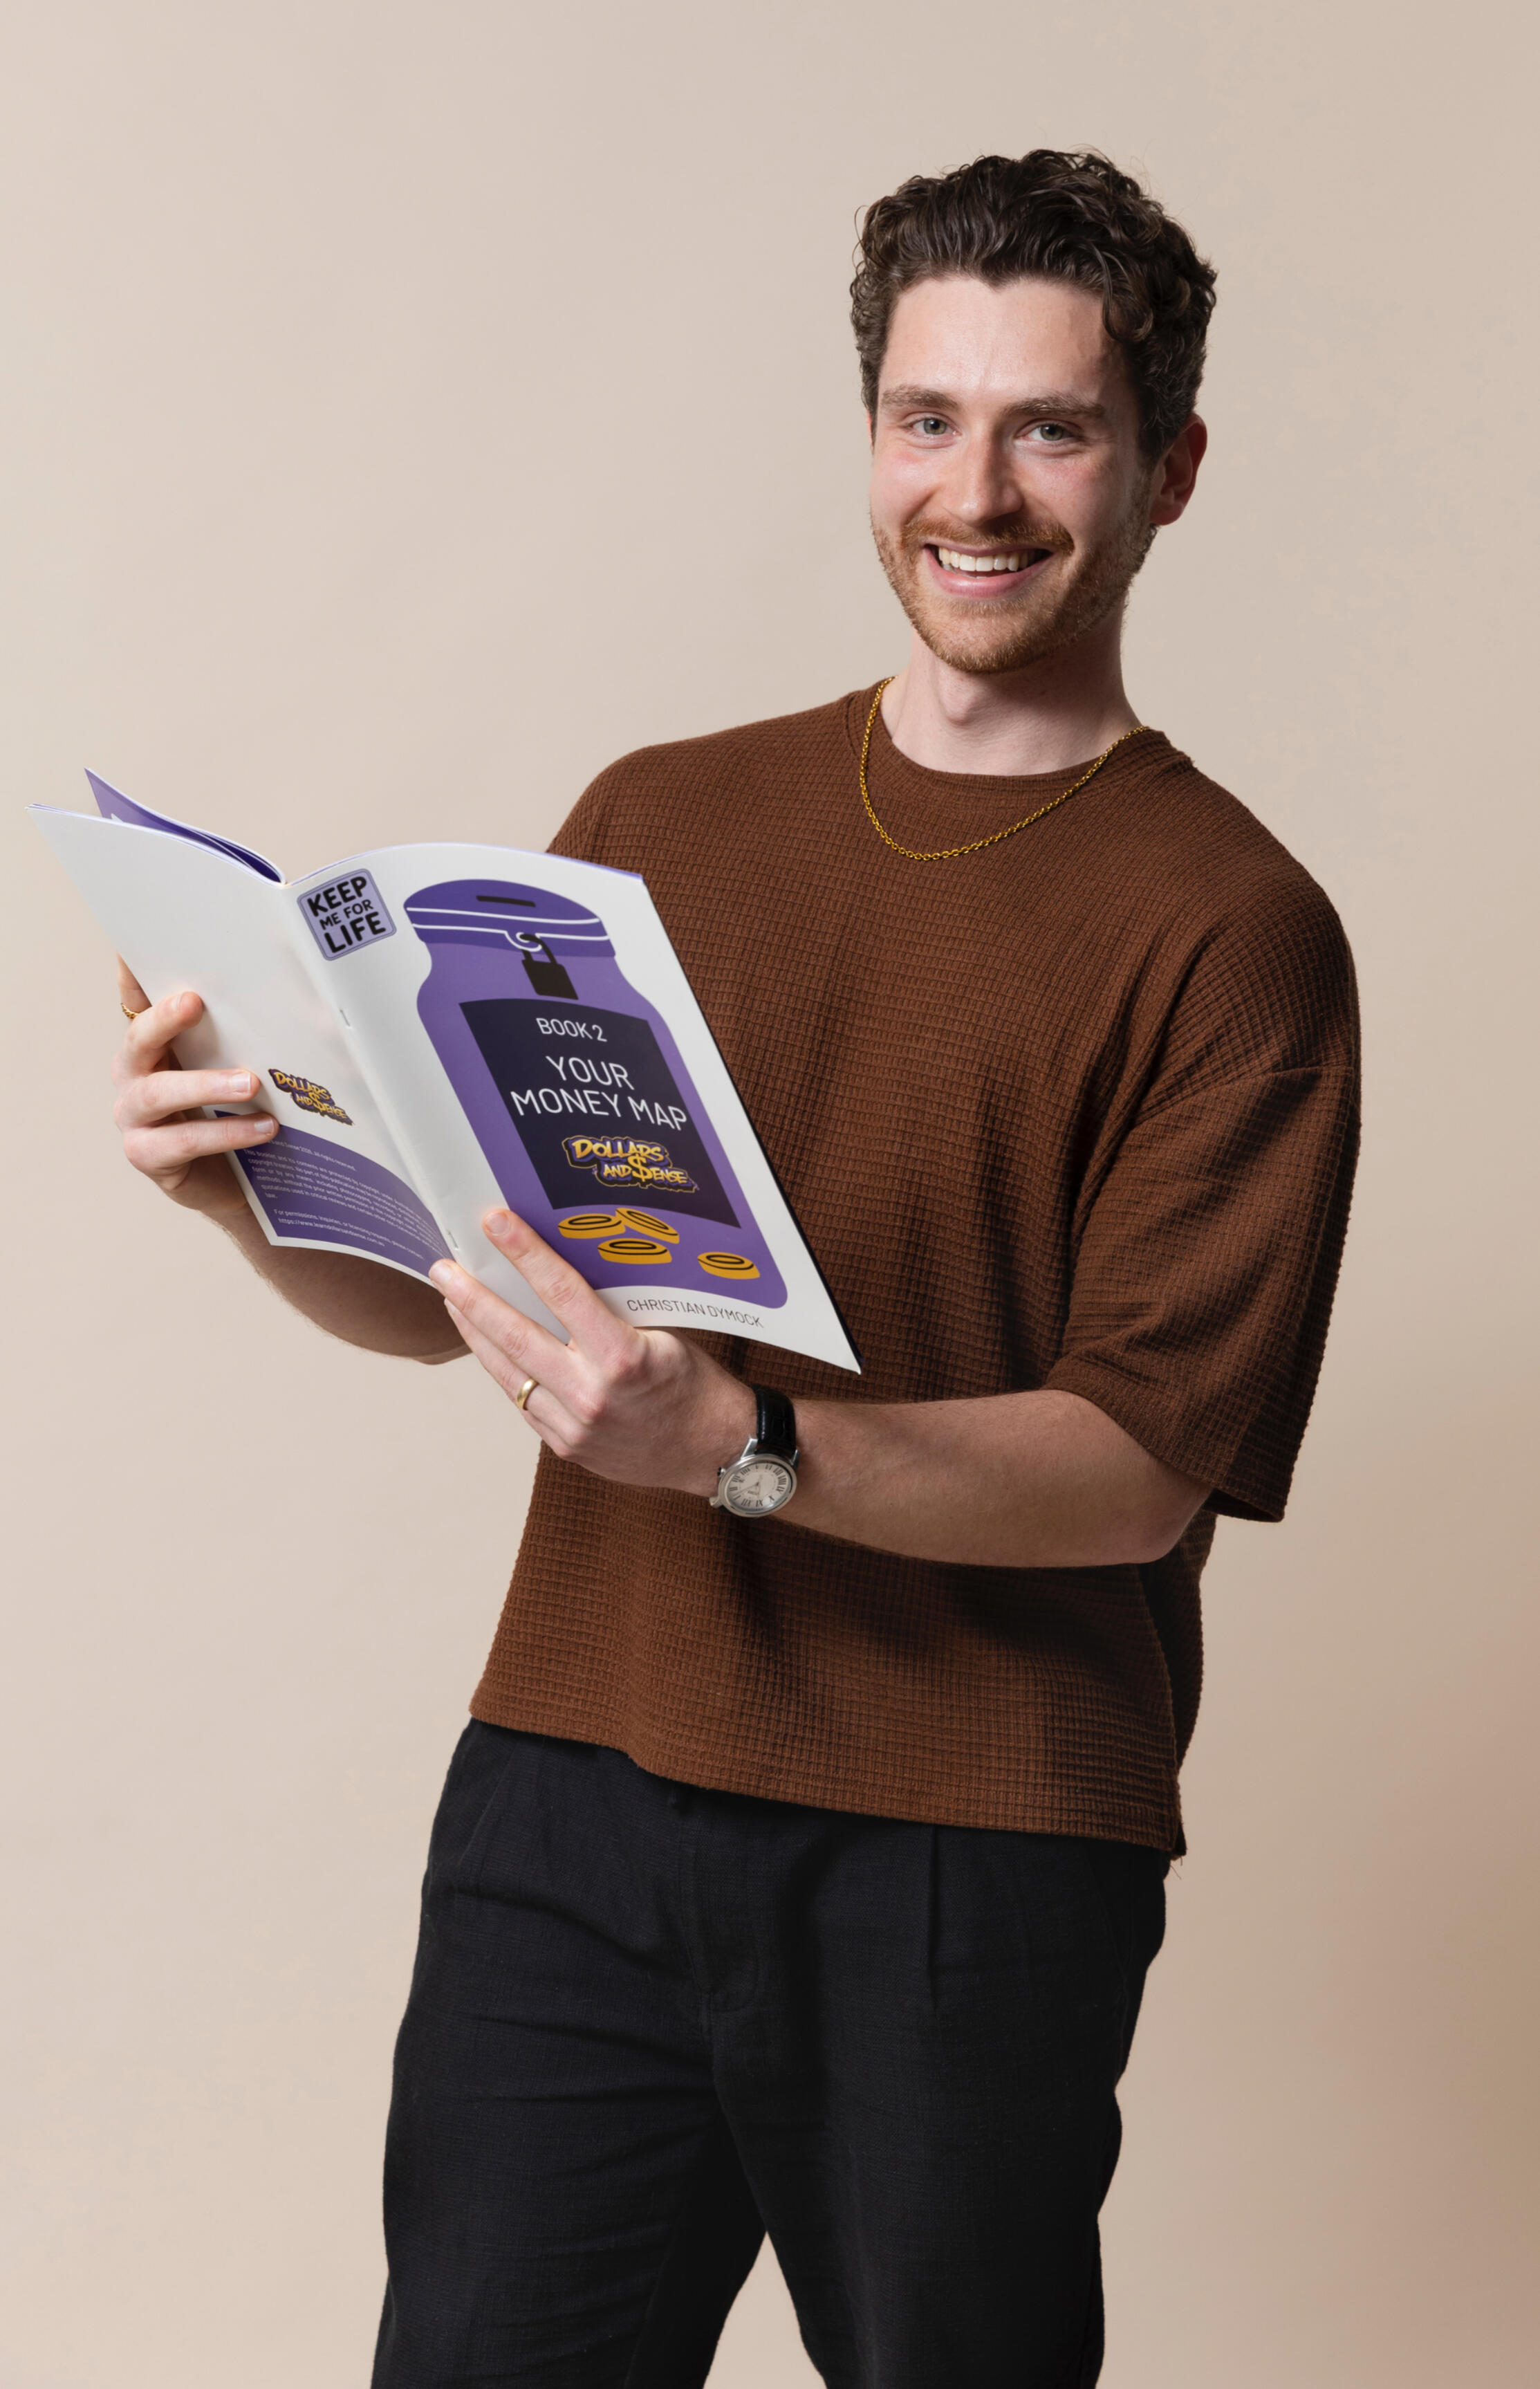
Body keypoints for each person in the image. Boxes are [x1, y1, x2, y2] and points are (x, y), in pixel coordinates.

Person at [109, 151, 1360, 2388]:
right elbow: (481, 1292)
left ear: (1167, 464)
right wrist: (260, 1192)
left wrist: (742, 1448)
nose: (970, 491)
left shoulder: (1230, 929)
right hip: (569, 1785)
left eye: (1048, 428)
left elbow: (1132, 1471)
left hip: (966, 1844)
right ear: (868, 430)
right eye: (920, 417)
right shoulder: (658, 821)